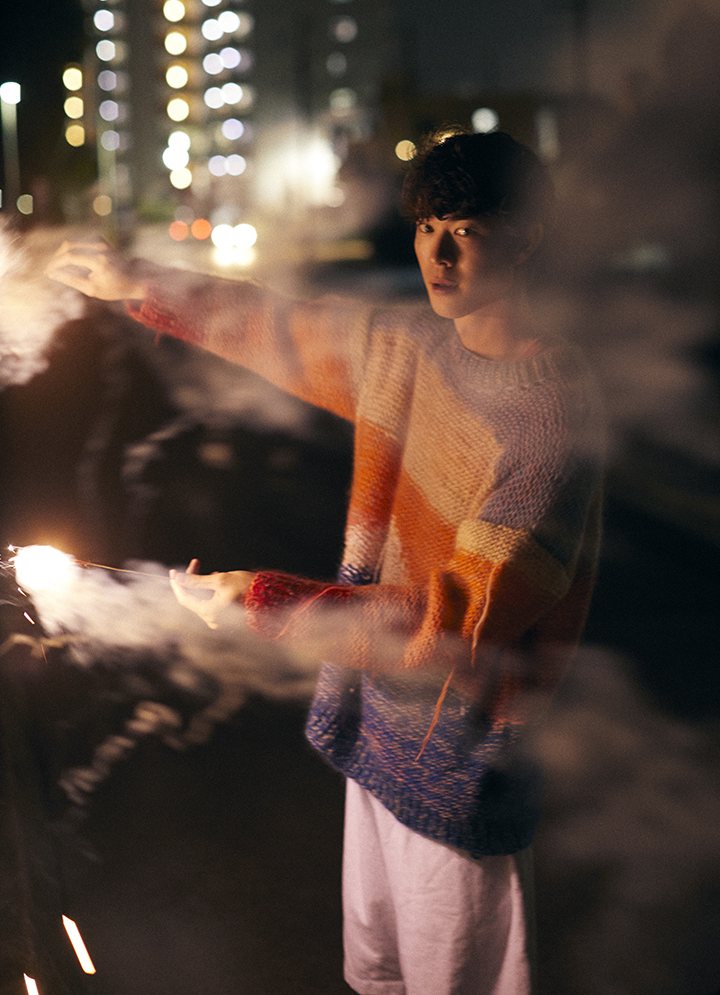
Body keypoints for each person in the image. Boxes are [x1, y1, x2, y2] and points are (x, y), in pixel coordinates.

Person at [48, 128, 604, 995]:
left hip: (460, 760)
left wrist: (267, 600)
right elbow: (284, 327)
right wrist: (140, 283)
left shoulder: (547, 421)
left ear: (525, 237)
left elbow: (458, 620)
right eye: (425, 228)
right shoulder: (412, 348)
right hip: (378, 724)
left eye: (465, 227)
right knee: (376, 973)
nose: (439, 254)